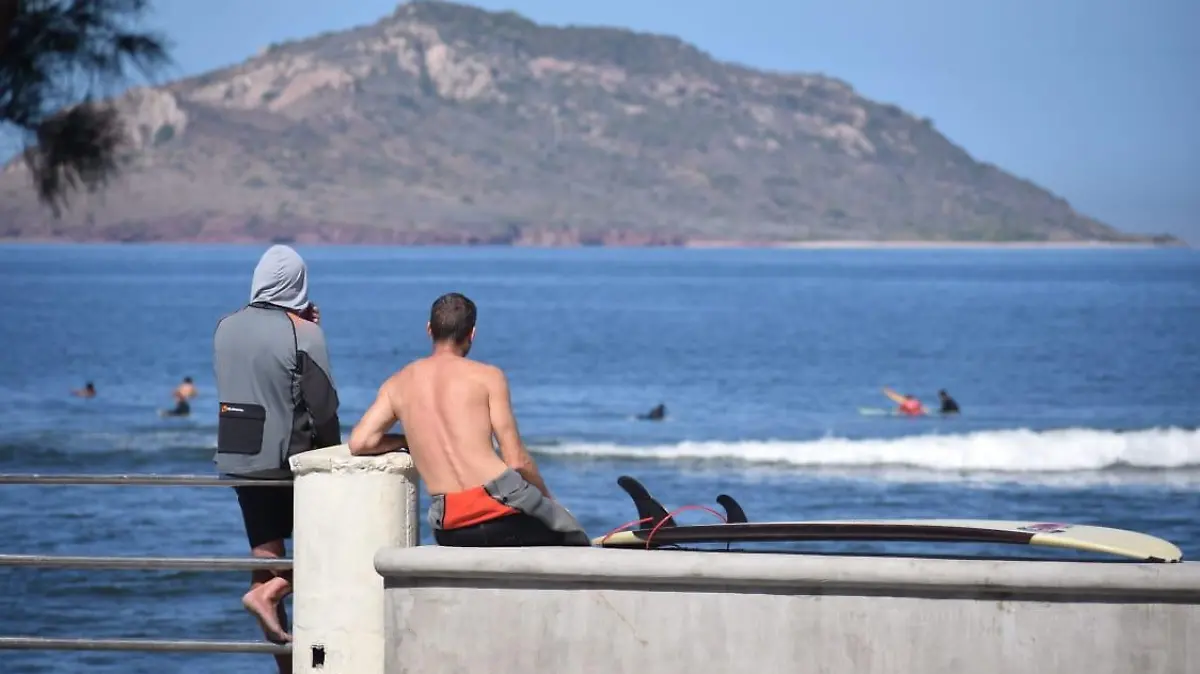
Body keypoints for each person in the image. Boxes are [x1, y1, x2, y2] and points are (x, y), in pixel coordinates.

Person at [348, 292, 589, 547]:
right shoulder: (487, 377)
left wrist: (410, 440)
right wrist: (549, 503)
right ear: (472, 334)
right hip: (506, 511)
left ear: (429, 329)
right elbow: (517, 460)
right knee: (575, 538)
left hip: (451, 524)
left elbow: (360, 442)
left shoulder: (396, 384)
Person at [213, 244, 341, 669]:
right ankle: (270, 597)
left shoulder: (224, 326)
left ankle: (285, 664)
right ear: (298, 284)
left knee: (266, 560)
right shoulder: (304, 333)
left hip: (239, 454)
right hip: (290, 459)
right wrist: (335, 456)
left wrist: (297, 325)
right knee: (328, 552)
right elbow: (322, 406)